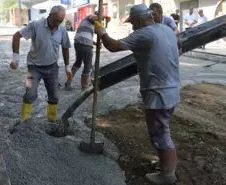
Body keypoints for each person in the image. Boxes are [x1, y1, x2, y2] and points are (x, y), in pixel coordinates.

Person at [94, 4, 180, 184]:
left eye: (133, 23)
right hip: (172, 90)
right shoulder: (167, 30)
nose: (132, 26)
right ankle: (165, 164)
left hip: (158, 94)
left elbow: (113, 46)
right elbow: (178, 46)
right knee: (163, 130)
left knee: (160, 134)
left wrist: (101, 32)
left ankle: (167, 175)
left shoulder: (144, 33)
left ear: (140, 20)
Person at [10, 5, 71, 122]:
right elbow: (16, 36)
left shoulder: (62, 30)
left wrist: (67, 66)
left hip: (52, 67)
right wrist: (15, 58)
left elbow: (65, 48)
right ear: (50, 15)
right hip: (34, 67)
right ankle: (24, 120)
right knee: (30, 94)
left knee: (54, 96)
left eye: (61, 21)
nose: (58, 23)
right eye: (57, 20)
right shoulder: (36, 25)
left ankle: (50, 120)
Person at [64, 12, 111, 90]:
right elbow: (93, 18)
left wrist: (96, 43)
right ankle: (84, 86)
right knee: (88, 65)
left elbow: (86, 37)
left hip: (78, 42)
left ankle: (68, 82)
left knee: (78, 63)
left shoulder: (87, 24)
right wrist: (103, 16)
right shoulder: (90, 17)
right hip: (85, 43)